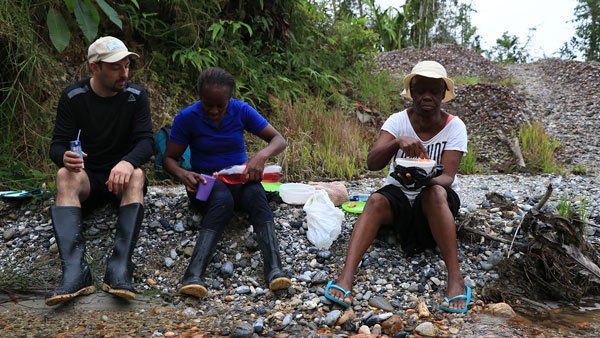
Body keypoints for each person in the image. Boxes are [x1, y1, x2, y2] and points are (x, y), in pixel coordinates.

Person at [325, 61, 471, 313]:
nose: (427, 96)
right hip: (399, 195)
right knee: (374, 200)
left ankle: (455, 279)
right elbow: (373, 162)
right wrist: (396, 143)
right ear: (412, 92)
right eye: (421, 90)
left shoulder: (454, 126)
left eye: (434, 91)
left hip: (435, 201)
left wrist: (422, 179)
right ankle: (346, 276)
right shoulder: (397, 121)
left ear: (442, 95)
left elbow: (447, 176)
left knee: (434, 192)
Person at [163, 67, 291, 298]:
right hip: (204, 183)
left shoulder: (240, 110)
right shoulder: (187, 118)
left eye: (219, 105)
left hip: (237, 178)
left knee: (256, 194)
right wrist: (183, 174)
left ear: (229, 99)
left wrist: (260, 157)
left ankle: (274, 270)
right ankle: (193, 275)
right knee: (221, 198)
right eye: (207, 104)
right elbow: (169, 158)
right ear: (200, 97)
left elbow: (278, 139)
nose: (213, 110)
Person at [46, 36, 153, 306]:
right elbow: (56, 145)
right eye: (116, 67)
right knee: (63, 175)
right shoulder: (73, 97)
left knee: (137, 174)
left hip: (121, 179)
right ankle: (75, 272)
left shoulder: (136, 96)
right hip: (88, 179)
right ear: (95, 68)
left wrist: (128, 162)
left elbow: (147, 142)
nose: (124, 73)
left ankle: (119, 268)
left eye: (127, 66)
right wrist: (66, 157)